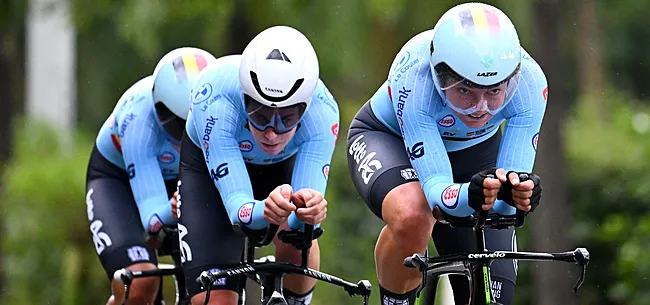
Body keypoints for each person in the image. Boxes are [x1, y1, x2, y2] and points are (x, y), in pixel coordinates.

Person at [346, 2, 544, 305]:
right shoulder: (416, 81)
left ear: (511, 78)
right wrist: (471, 197)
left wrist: (518, 197)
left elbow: (504, 211)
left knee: (492, 291)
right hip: (390, 139)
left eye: (493, 92)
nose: (481, 108)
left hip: (474, 151)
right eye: (465, 91)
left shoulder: (531, 85)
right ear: (441, 76)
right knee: (414, 214)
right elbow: (438, 195)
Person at [176, 25, 339, 305]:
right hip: (209, 177)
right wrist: (264, 209)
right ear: (244, 99)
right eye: (260, 115)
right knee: (217, 299)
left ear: (305, 107)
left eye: (286, 119)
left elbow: (301, 221)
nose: (271, 133)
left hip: (279, 170)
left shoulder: (323, 114)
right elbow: (238, 209)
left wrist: (309, 211)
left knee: (299, 239)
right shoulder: (214, 101)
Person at [85, 47, 217, 305]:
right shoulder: (138, 120)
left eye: (200, 124)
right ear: (161, 112)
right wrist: (175, 209)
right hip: (118, 182)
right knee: (139, 283)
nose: (191, 136)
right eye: (181, 126)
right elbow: (154, 222)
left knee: (211, 286)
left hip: (184, 181)